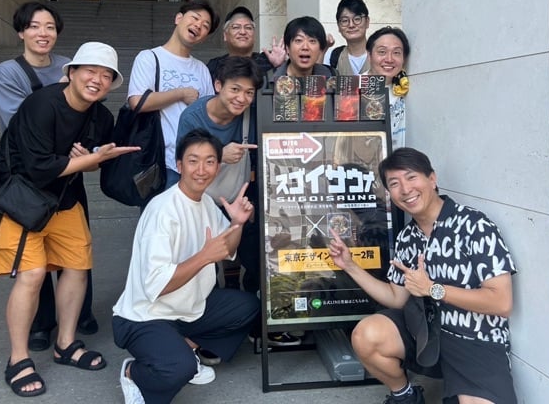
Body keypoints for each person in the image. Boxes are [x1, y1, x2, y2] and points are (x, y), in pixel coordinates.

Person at [0, 42, 140, 398]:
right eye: (90, 71)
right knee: (33, 274)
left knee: (77, 266)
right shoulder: (42, 105)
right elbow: (37, 168)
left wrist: (91, 159)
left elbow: (90, 160)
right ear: (71, 72)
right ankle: (18, 359)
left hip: (63, 198)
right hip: (18, 196)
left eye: (106, 75)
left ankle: (65, 344)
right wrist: (85, 161)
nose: (97, 80)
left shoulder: (101, 118)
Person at [329, 148, 517, 404]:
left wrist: (433, 289)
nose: (405, 189)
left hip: (475, 341)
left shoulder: (475, 225)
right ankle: (405, 396)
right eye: (394, 183)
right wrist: (350, 266)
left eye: (411, 177)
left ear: (432, 179)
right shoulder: (407, 237)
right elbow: (396, 298)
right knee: (366, 334)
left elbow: (501, 303)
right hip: (425, 334)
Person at [112, 129, 259, 404]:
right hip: (145, 315)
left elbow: (227, 249)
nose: (201, 170)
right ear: (179, 165)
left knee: (249, 307)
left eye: (209, 161)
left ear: (217, 167)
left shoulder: (205, 202)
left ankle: (182, 348)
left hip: (188, 309)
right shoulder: (162, 210)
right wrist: (203, 257)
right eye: (193, 161)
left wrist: (237, 223)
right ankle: (134, 372)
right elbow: (157, 285)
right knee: (179, 369)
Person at [0, 1, 98, 352]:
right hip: (28, 178)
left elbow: (86, 112)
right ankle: (41, 324)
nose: (43, 33)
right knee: (34, 263)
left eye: (50, 27)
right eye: (34, 26)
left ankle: (78, 316)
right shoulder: (9, 72)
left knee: (75, 254)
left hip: (68, 175)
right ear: (21, 32)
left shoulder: (70, 66)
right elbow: (22, 125)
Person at [177, 56, 301, 352]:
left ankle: (263, 326)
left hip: (240, 196)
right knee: (201, 265)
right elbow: (184, 162)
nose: (242, 98)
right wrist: (219, 154)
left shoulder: (251, 113)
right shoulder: (193, 117)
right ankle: (201, 332)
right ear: (218, 85)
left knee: (259, 258)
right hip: (200, 199)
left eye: (248, 92)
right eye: (235, 89)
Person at [127, 0, 220, 187]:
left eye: (205, 26)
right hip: (159, 161)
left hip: (193, 164)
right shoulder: (149, 58)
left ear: (204, 37)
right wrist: (180, 93)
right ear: (178, 18)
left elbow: (209, 114)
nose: (198, 26)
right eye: (195, 18)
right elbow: (137, 101)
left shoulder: (201, 69)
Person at [206, 5, 286, 80]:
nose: (243, 32)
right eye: (236, 27)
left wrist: (280, 66)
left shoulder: (268, 60)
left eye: (248, 27)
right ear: (225, 35)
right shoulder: (215, 65)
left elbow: (286, 86)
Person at [367, 26, 411, 150]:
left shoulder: (405, 87)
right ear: (369, 55)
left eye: (396, 53)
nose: (389, 59)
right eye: (382, 52)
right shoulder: (355, 89)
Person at [324, 0, 372, 75]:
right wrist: (323, 49)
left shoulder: (380, 55)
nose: (351, 25)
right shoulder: (331, 57)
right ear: (338, 26)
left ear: (367, 22)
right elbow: (317, 80)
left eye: (357, 19)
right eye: (345, 20)